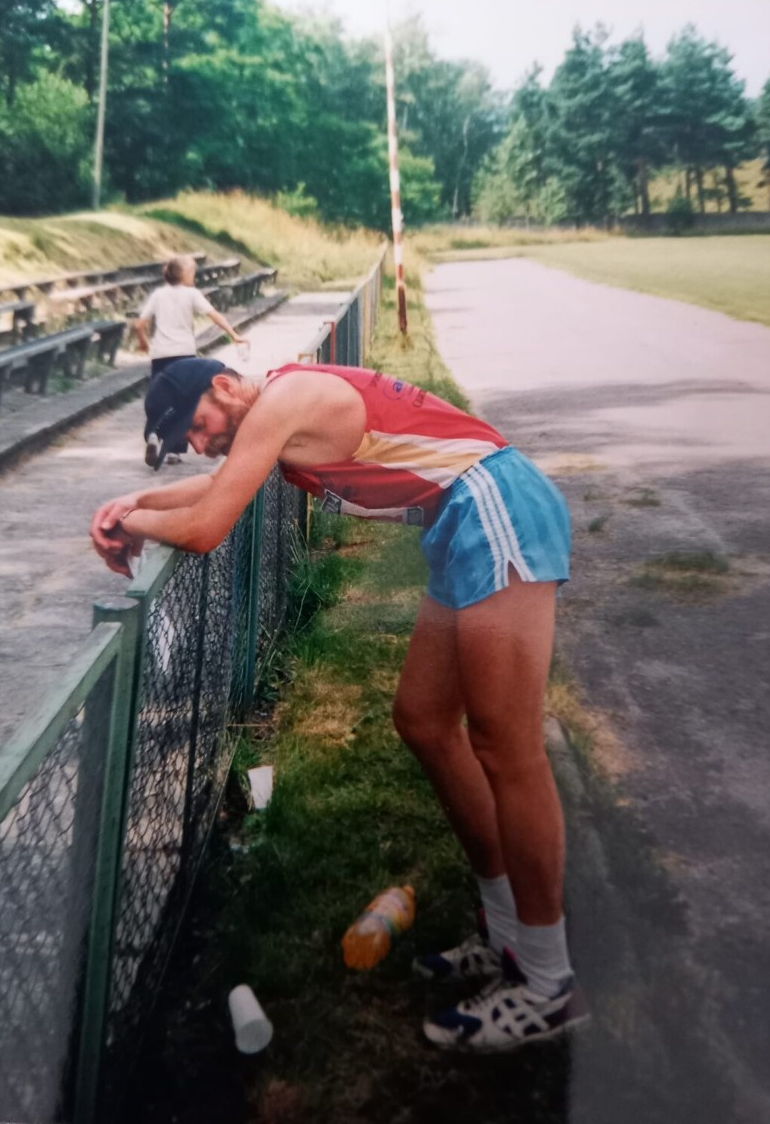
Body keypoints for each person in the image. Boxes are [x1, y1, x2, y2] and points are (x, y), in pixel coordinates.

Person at [89, 357, 589, 1052]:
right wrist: (128, 507)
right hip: (460, 517)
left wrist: (142, 523)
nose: (198, 445)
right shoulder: (278, 408)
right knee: (424, 722)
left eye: (196, 426)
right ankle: (506, 937)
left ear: (226, 387)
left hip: (495, 504)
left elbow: (208, 527)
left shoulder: (286, 397)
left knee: (508, 749)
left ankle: (547, 982)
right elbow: (212, 487)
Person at [134, 255, 249, 466]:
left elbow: (139, 324)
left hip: (160, 353)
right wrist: (234, 335)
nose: (194, 276)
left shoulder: (159, 294)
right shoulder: (191, 294)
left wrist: (143, 343)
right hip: (184, 355)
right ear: (184, 274)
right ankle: (174, 451)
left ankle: (153, 435)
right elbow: (213, 315)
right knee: (183, 403)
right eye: (192, 272)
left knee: (160, 398)